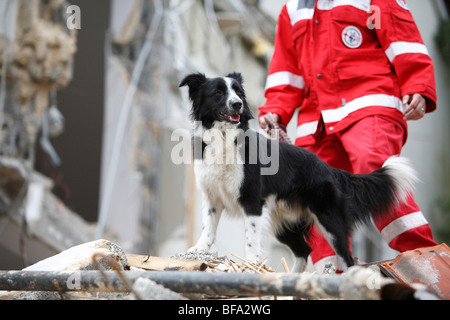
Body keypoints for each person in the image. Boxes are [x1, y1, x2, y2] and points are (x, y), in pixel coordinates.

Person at [258, 0, 438, 272]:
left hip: (369, 104)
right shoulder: (292, 9)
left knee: (373, 165)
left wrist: (417, 85)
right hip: (317, 121)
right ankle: (333, 276)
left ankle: (425, 262)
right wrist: (274, 111)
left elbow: (403, 41)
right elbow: (287, 71)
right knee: (313, 192)